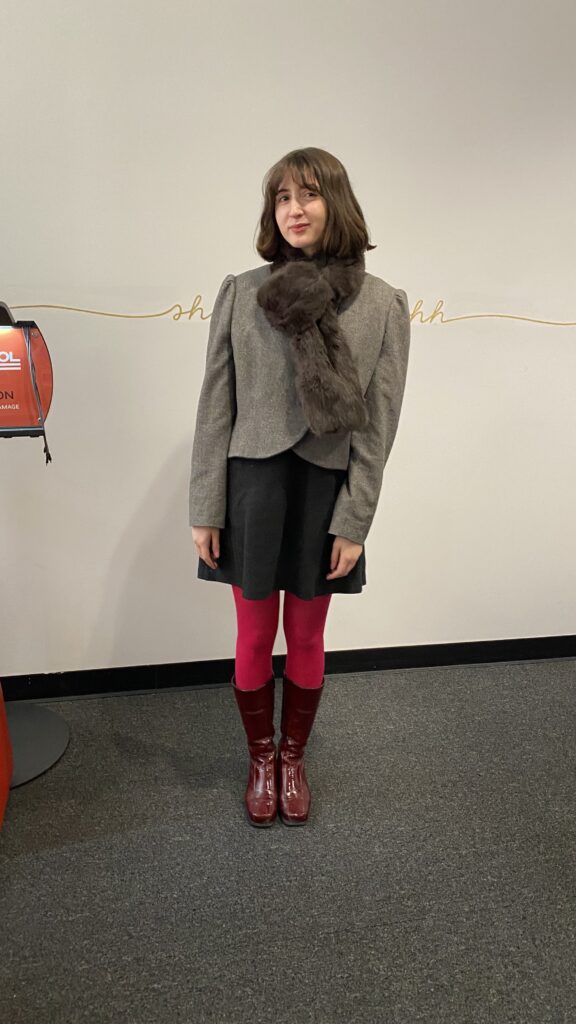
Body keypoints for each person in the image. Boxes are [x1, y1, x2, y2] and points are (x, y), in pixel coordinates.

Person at [189, 147, 411, 828]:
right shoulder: (240, 290)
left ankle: (294, 755)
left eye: (308, 194)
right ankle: (261, 757)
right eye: (282, 198)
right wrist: (206, 504)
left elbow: (377, 423)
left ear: (335, 204)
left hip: (325, 488)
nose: (294, 209)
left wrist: (355, 518)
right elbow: (215, 406)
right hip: (252, 483)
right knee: (255, 636)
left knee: (308, 636)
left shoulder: (383, 304)